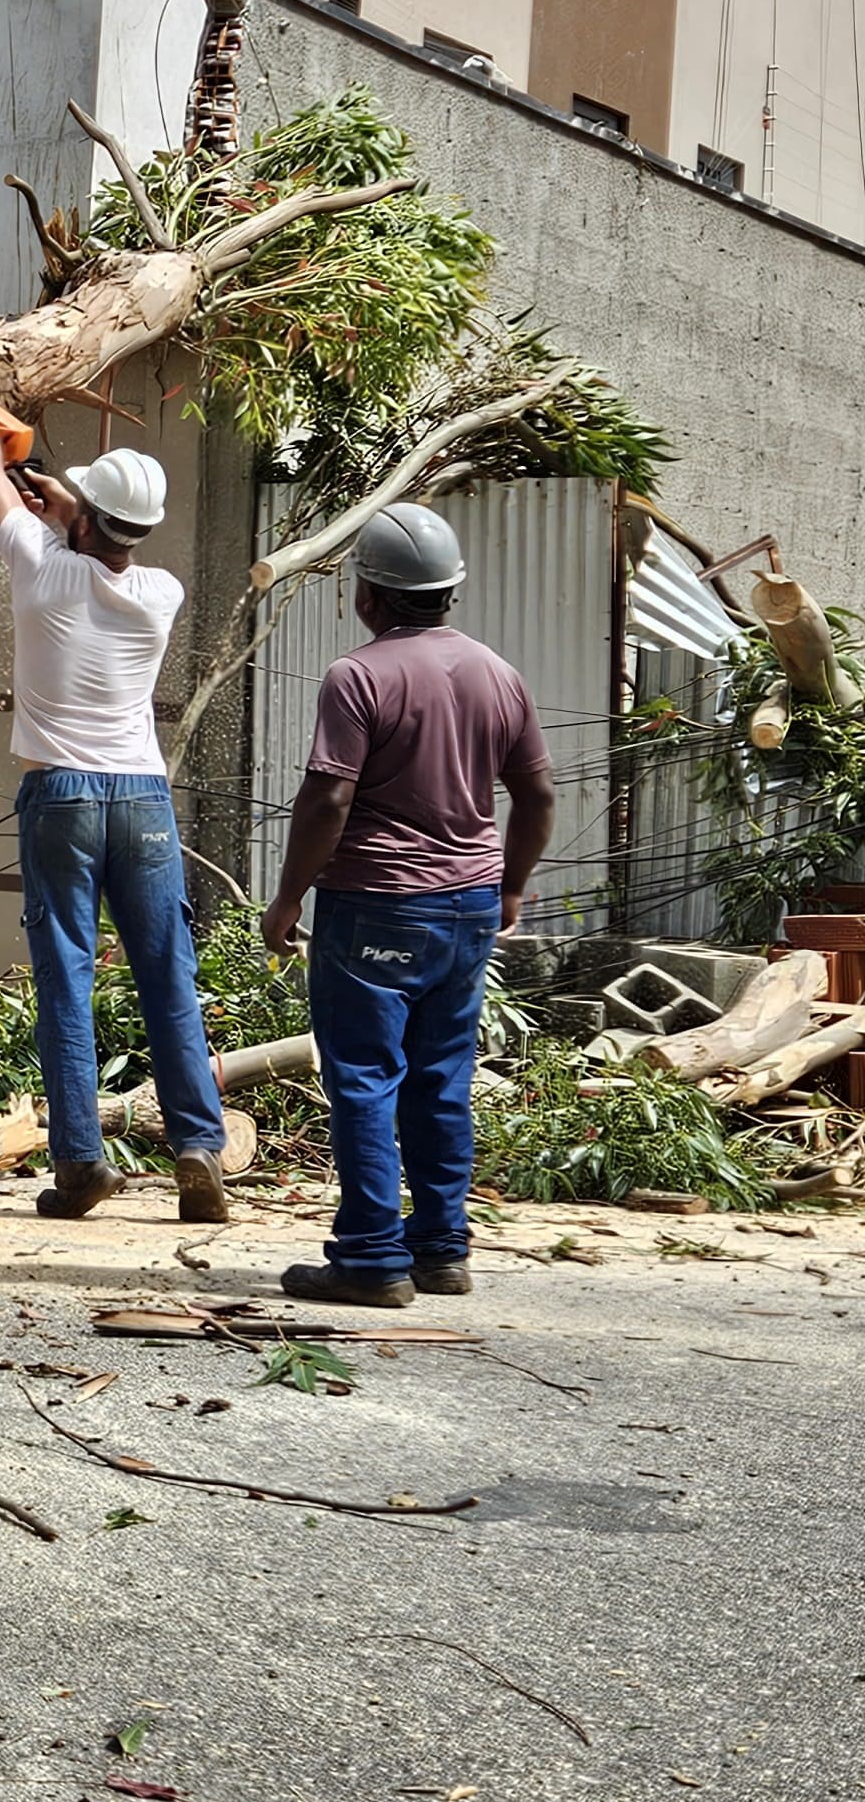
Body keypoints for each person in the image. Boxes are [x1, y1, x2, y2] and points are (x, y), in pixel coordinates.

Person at [0, 364, 228, 1222]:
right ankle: (198, 1148)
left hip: (60, 797)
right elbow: (101, 544)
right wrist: (74, 511)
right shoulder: (160, 595)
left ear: (85, 518)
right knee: (165, 973)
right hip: (142, 800)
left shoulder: (39, 567)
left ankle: (80, 1165)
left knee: (66, 976)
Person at [261, 504, 553, 1308]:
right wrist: (514, 884)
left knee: (363, 1078)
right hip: (468, 908)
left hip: (377, 905)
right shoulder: (500, 675)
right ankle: (441, 1249)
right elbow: (537, 793)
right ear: (448, 592)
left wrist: (288, 896)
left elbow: (328, 799)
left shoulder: (357, 677)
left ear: (370, 596)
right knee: (441, 1078)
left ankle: (370, 1259)